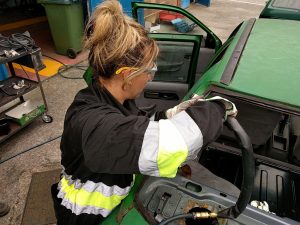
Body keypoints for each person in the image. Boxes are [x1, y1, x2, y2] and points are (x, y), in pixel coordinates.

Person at [51, 1, 237, 225]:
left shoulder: (112, 98)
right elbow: (167, 145)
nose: (150, 77)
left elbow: (136, 126)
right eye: (150, 70)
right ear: (128, 75)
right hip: (85, 217)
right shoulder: (94, 123)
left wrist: (171, 115)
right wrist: (217, 109)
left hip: (112, 202)